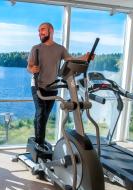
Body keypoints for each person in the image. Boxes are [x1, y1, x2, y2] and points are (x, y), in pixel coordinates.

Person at [27, 22, 91, 151]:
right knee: (40, 113)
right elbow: (29, 66)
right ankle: (39, 142)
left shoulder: (60, 49)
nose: (40, 33)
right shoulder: (36, 48)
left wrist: (85, 57)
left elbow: (71, 60)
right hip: (37, 86)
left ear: (51, 30)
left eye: (43, 30)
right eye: (39, 31)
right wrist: (32, 68)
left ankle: (40, 139)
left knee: (44, 115)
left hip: (52, 87)